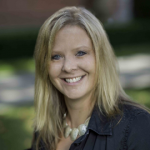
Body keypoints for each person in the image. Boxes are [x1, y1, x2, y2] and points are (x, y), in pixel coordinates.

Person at [28, 6, 150, 150]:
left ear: (101, 58)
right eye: (56, 56)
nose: (68, 67)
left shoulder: (136, 127)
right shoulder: (44, 131)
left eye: (80, 53)